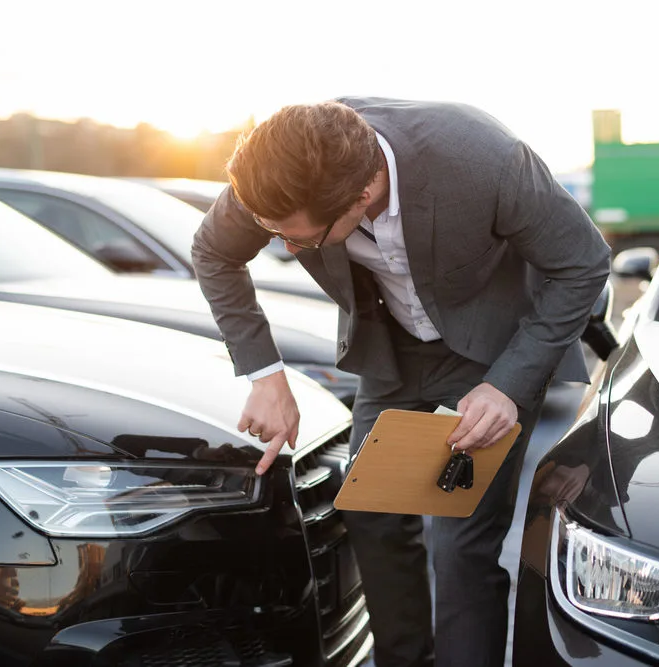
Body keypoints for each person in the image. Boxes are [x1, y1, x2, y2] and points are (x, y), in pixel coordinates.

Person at [192, 97, 611, 667]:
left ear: (362, 195)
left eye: (302, 241)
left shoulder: (484, 159)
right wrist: (265, 374)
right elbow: (214, 251)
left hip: (491, 358)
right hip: (390, 354)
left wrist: (509, 386)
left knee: (460, 543)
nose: (287, 249)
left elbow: (583, 261)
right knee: (371, 510)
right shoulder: (282, 176)